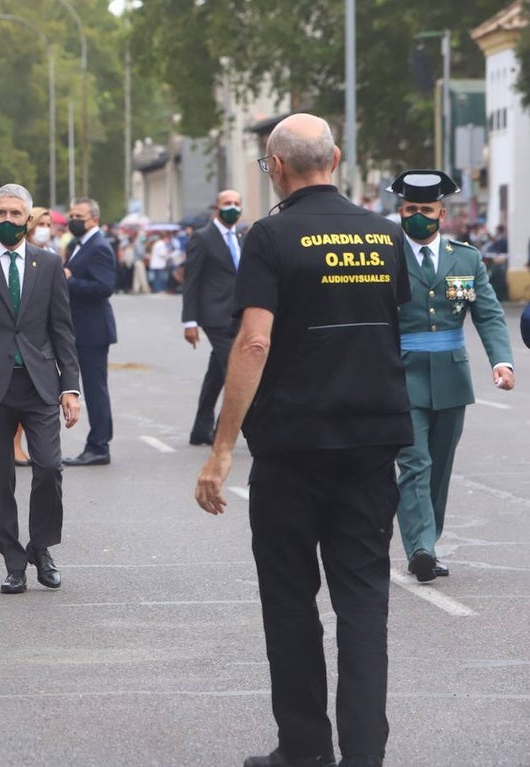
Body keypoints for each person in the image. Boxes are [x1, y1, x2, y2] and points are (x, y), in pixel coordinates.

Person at [195, 114, 414, 767]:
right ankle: (366, 753)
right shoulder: (386, 235)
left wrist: (221, 448)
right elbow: (384, 325)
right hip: (372, 441)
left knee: (291, 601)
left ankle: (306, 747)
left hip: (293, 445)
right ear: (338, 158)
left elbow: (255, 340)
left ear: (277, 167)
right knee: (363, 598)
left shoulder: (269, 236)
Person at [0, 183, 80, 594]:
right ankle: (13, 562)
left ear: (27, 218)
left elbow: (62, 330)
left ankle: (41, 547)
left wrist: (70, 388)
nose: (8, 220)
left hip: (40, 385)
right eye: (1, 214)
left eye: (15, 214)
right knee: (0, 478)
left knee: (48, 467)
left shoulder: (49, 264)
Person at [387, 169, 514, 583]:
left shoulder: (467, 258)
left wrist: (502, 360)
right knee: (416, 463)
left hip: (452, 378)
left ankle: (429, 540)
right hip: (402, 376)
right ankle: (420, 548)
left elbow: (490, 315)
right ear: (400, 211)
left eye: (426, 209)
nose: (418, 216)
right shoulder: (387, 256)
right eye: (410, 209)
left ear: (442, 212)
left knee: (439, 467)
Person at [181, 190, 244, 446]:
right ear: (216, 208)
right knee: (238, 372)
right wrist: (190, 321)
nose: (232, 208)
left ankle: (200, 430)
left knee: (216, 375)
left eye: (237, 204)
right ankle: (222, 434)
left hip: (238, 314)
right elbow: (191, 281)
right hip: (215, 316)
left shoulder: (242, 236)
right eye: (227, 203)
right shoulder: (203, 237)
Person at [62, 197, 116, 467]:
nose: (73, 220)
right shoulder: (79, 245)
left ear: (94, 218)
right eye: (72, 214)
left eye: (79, 216)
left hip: (93, 330)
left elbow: (104, 287)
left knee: (95, 390)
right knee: (92, 389)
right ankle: (97, 443)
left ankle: (99, 445)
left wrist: (71, 282)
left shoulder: (99, 247)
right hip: (80, 328)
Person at [14, 206, 55, 466]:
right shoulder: (18, 254)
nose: (46, 230)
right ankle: (14, 444)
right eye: (42, 224)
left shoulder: (50, 256)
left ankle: (29, 444)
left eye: (50, 225)